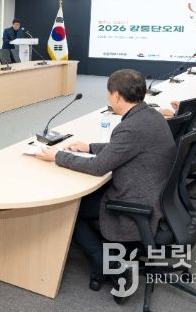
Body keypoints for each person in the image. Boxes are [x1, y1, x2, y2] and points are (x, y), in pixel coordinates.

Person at [35, 69, 176, 286]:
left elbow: (98, 167)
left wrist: (58, 156)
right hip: (155, 193)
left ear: (117, 96)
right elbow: (126, 147)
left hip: (136, 202)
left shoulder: (130, 127)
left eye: (109, 93)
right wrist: (90, 147)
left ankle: (108, 265)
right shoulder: (151, 115)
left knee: (68, 211)